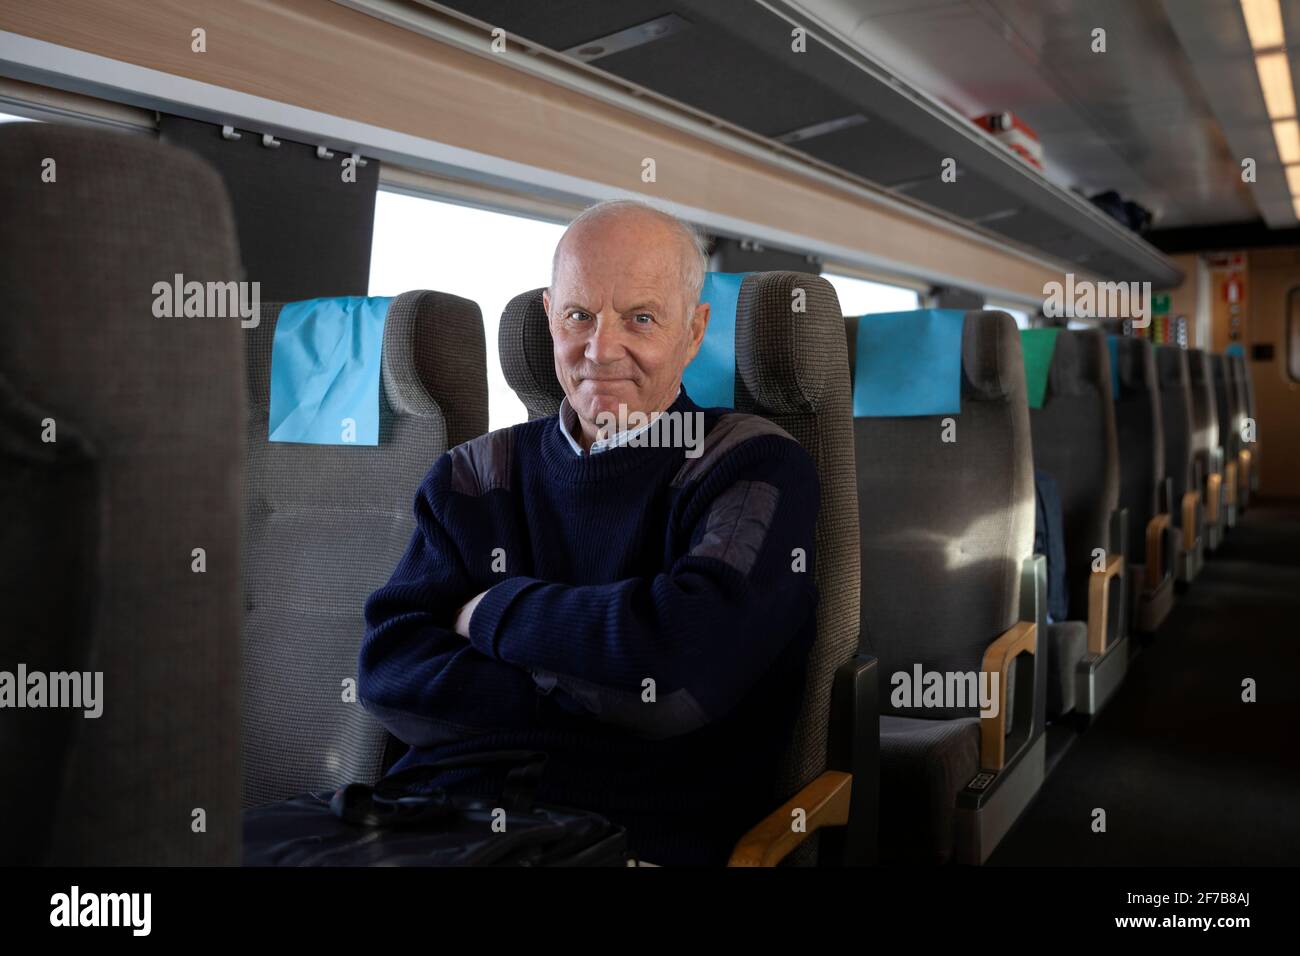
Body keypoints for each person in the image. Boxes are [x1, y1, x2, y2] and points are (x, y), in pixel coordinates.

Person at [358, 198, 820, 865]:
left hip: (629, 836)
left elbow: (675, 675)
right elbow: (387, 671)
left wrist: (491, 612)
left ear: (693, 333)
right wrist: (601, 692)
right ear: (549, 317)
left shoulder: (752, 465)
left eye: (640, 318)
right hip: (424, 822)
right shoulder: (474, 473)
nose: (602, 351)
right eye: (579, 315)